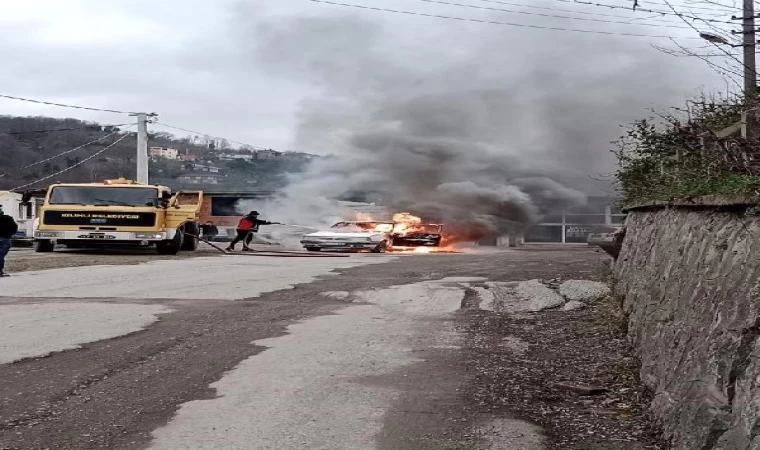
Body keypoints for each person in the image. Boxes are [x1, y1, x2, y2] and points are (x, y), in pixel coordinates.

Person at [0, 207, 19, 278]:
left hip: (5, 238)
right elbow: (14, 227)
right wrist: (10, 234)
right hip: (5, 238)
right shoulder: (8, 218)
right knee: (1, 255)